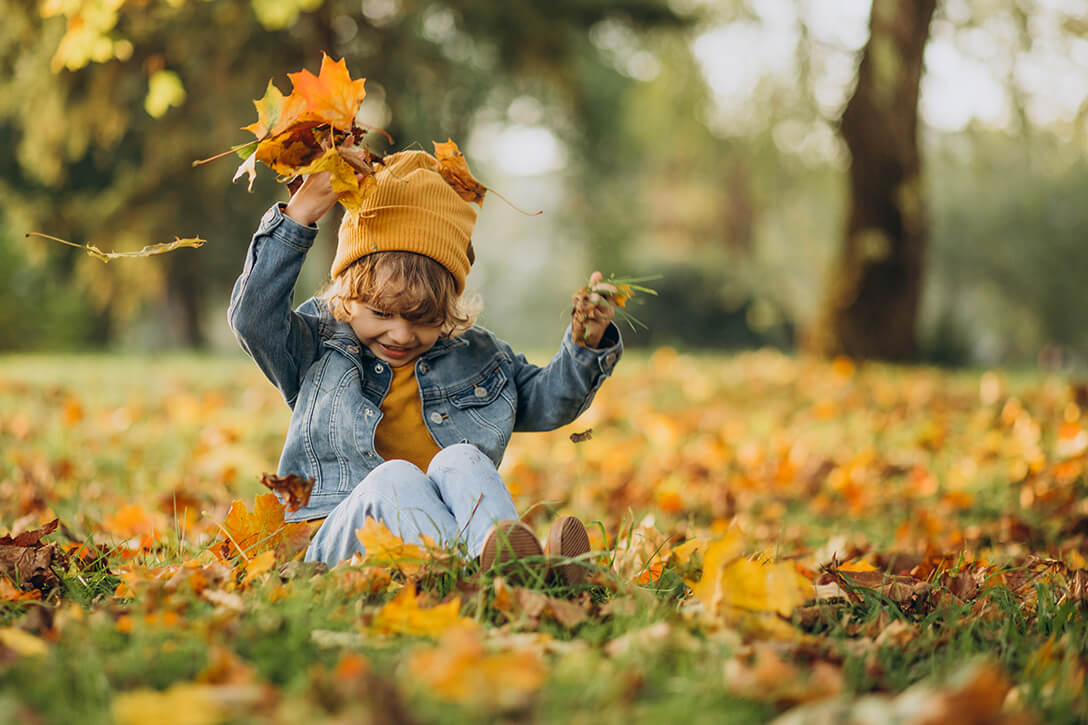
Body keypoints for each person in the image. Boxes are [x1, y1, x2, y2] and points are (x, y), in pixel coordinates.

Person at [228, 144, 623, 584]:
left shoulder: (477, 356)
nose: (400, 334)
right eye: (380, 313)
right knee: (394, 476)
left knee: (463, 459)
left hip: (432, 544)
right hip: (337, 544)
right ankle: (512, 576)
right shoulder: (316, 345)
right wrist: (300, 214)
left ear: (448, 310)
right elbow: (253, 318)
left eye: (423, 319)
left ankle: (505, 568)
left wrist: (585, 344)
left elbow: (551, 402)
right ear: (346, 295)